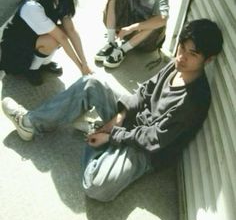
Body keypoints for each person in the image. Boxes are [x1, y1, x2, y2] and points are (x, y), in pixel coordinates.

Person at [2, 19, 223, 202]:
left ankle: (93, 130)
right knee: (92, 83)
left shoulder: (194, 100)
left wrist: (110, 135)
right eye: (182, 48)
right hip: (131, 125)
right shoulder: (176, 65)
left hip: (145, 151)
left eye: (192, 54)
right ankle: (30, 122)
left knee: (96, 188)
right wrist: (116, 120)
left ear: (209, 60)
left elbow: (152, 139)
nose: (182, 56)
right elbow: (144, 93)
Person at [0, 0, 92, 86]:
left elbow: (71, 30)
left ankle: (43, 62)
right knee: (55, 38)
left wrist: (85, 64)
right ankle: (32, 69)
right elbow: (62, 38)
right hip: (16, 52)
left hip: (32, 40)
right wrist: (81, 68)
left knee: (63, 31)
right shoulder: (32, 6)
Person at [94, 0, 169, 68]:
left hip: (147, 42)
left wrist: (132, 28)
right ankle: (111, 42)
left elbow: (163, 19)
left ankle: (123, 50)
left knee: (156, 23)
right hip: (127, 34)